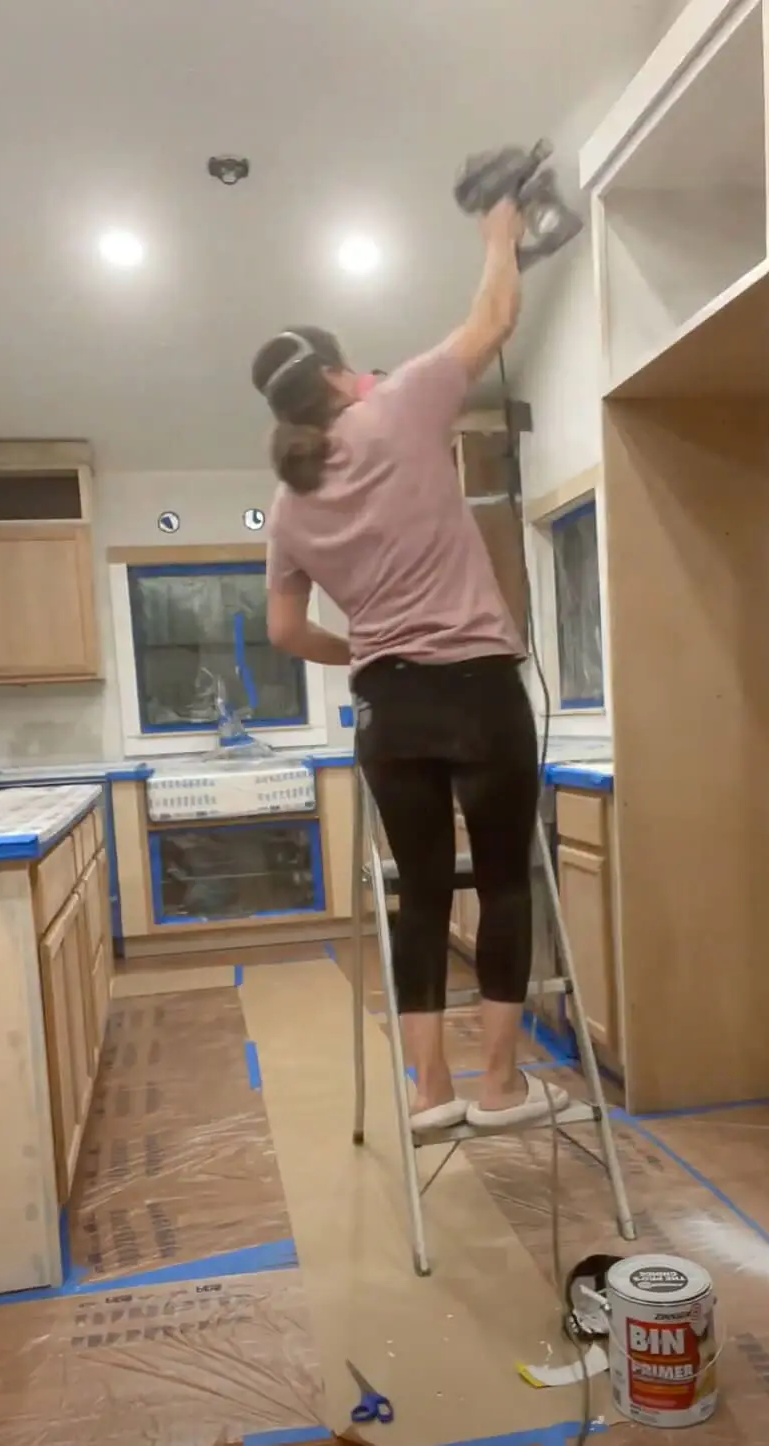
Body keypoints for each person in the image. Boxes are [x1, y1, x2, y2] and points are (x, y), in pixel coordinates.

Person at [252, 199, 568, 1133]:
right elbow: (495, 320)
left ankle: (430, 1094)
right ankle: (501, 1086)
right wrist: (499, 237)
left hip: (389, 710)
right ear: (342, 372)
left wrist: (367, 647)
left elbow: (283, 632)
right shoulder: (397, 407)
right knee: (505, 878)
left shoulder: (289, 502)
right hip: (476, 688)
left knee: (422, 890)